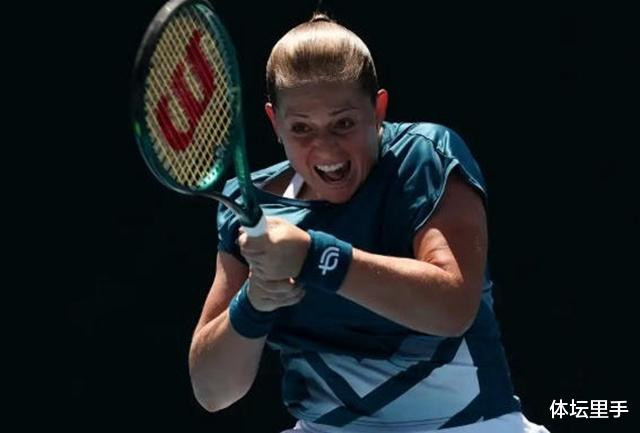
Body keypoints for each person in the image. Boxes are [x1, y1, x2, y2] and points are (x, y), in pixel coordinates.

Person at [188, 13, 550, 433]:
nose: (326, 149)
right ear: (275, 123)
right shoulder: (250, 205)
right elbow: (213, 392)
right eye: (301, 128)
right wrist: (254, 303)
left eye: (343, 123)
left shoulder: (424, 156)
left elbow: (453, 308)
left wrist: (315, 256)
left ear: (378, 109)